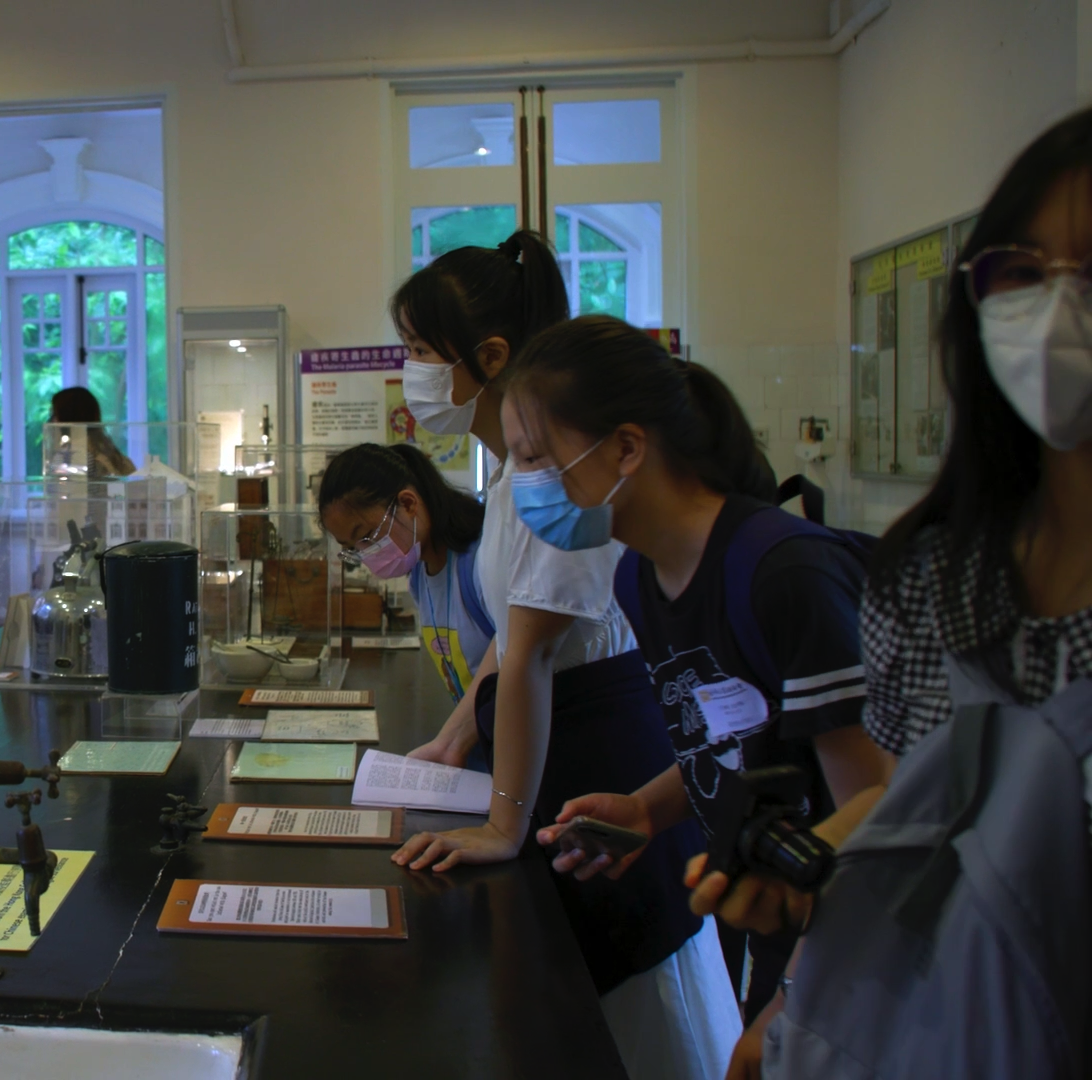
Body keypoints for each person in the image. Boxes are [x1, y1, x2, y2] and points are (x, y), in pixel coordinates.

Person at [692, 108, 1092, 1080]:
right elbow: (924, 806)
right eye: (1023, 273)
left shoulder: (790, 565)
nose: (1056, 312)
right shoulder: (935, 577)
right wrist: (807, 873)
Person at [390, 235, 740, 1079]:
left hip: (599, 757)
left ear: (489, 356)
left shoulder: (554, 487)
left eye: (420, 349)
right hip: (561, 758)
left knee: (640, 1021)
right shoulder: (513, 480)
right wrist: (453, 740)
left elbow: (532, 658)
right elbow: (508, 646)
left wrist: (503, 824)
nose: (410, 372)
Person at [502, 317, 894, 1049]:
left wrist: (789, 1006)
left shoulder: (786, 573)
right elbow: (734, 739)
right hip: (783, 926)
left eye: (535, 458)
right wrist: (645, 810)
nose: (526, 487)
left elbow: (880, 806)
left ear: (627, 446)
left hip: (860, 938)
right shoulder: (639, 578)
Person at [317, 442, 488, 701]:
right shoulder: (420, 576)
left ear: (408, 504)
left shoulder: (479, 562)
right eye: (352, 548)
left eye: (366, 536)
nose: (365, 554)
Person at [48, 386, 136, 476]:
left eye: (54, 415)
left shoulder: (71, 455)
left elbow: (62, 484)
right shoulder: (107, 450)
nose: (51, 421)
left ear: (67, 418)